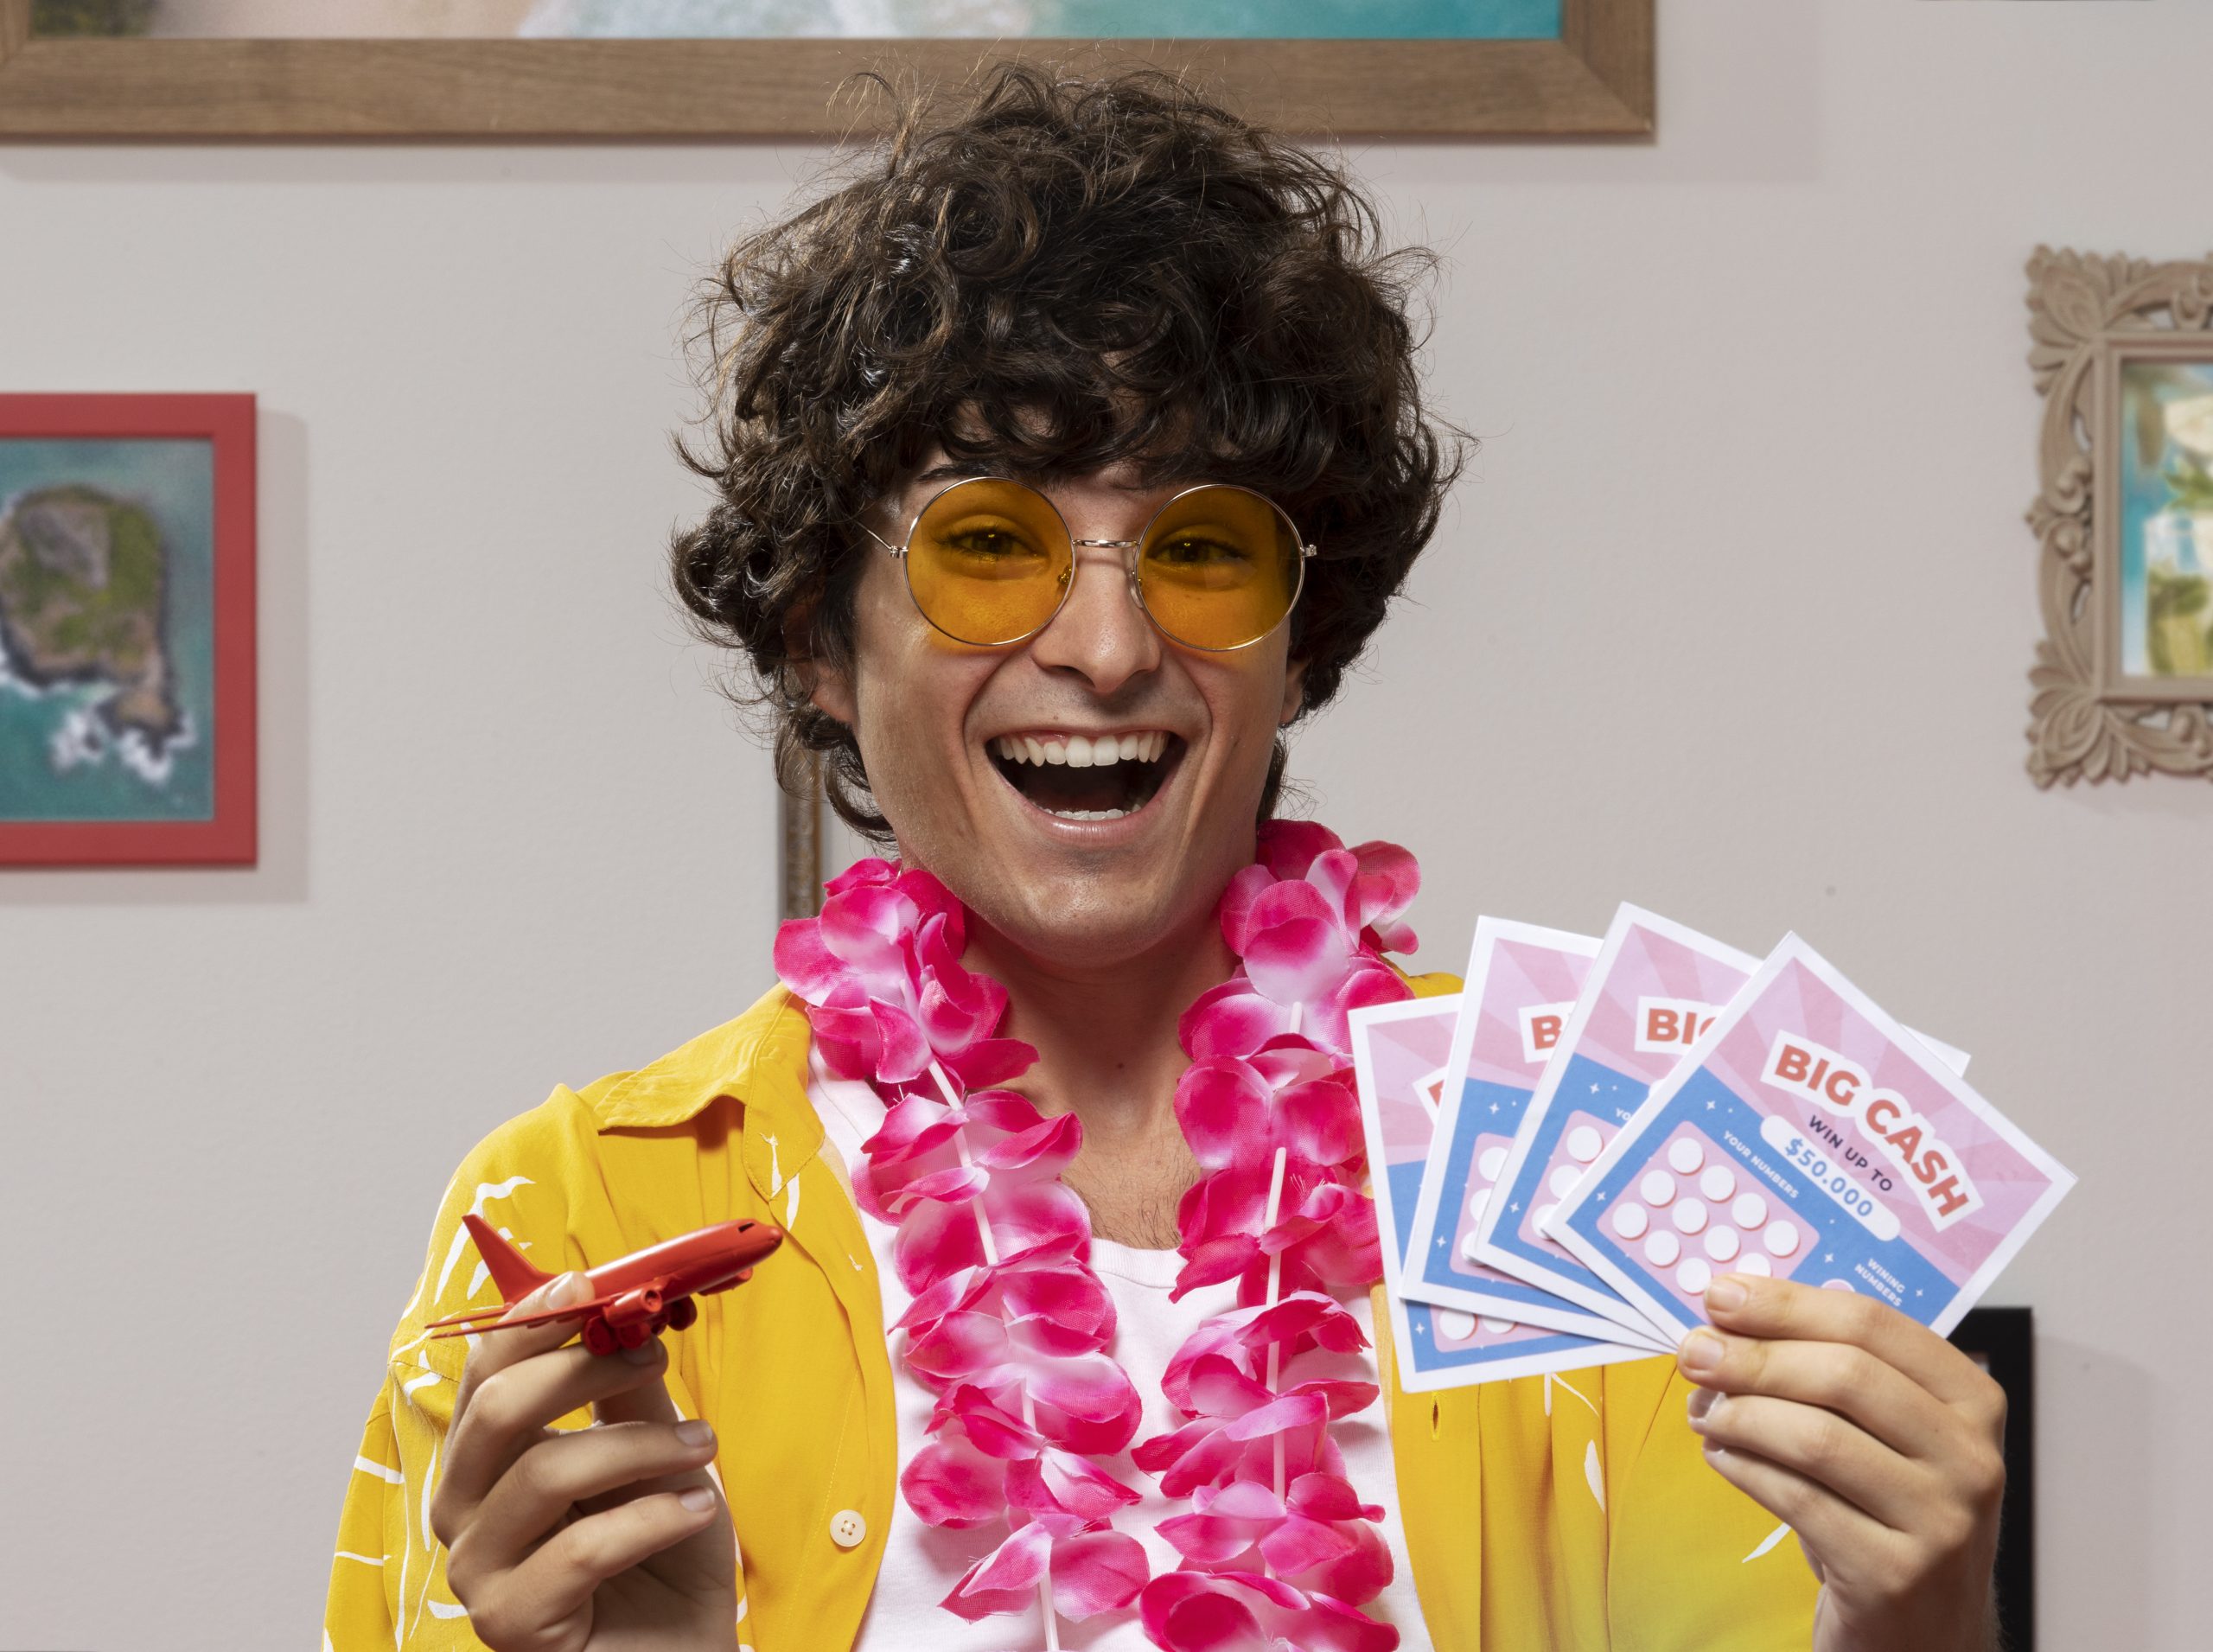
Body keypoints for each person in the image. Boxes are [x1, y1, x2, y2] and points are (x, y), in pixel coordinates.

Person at [325, 67, 2008, 1652]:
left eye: (1199, 549)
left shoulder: (1581, 1186)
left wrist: (1913, 1627)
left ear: (1297, 641)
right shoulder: (575, 1219)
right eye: (989, 543)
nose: (1111, 646)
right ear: (822, 647)